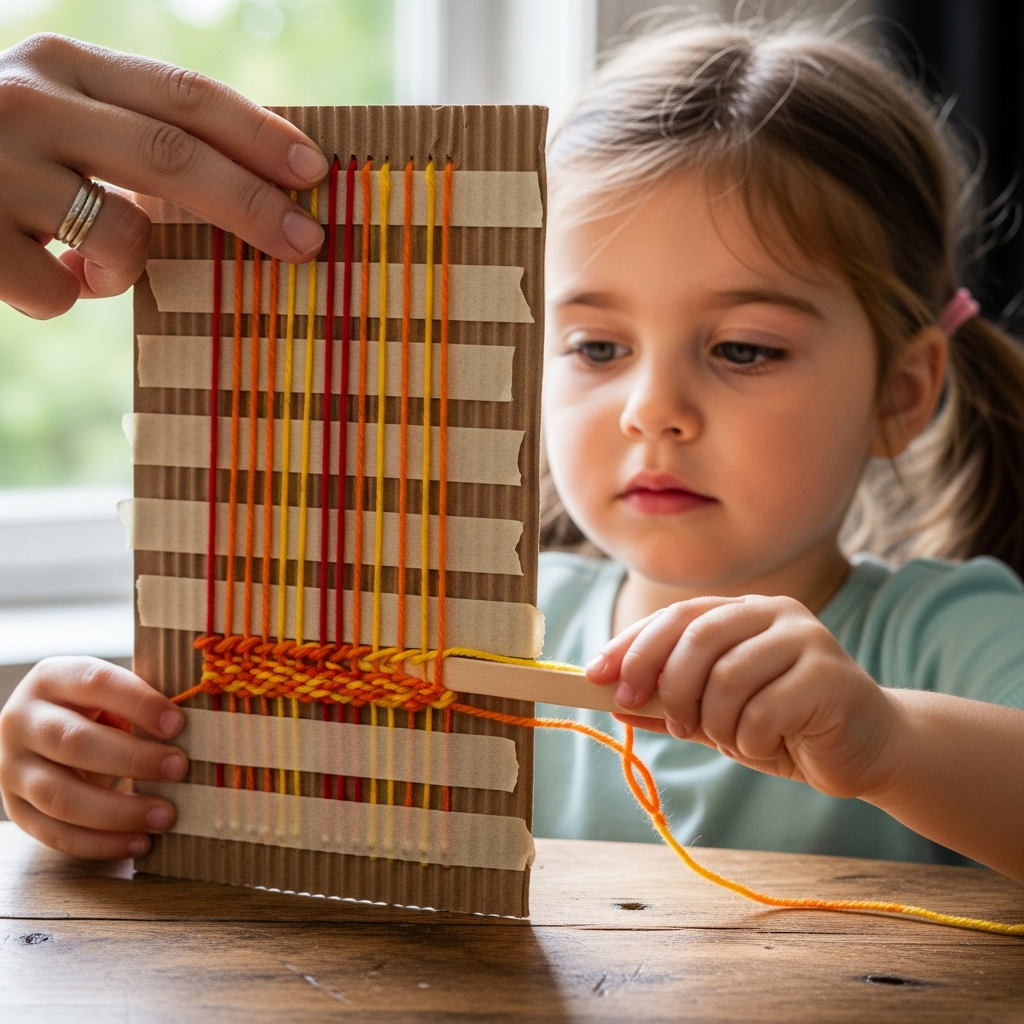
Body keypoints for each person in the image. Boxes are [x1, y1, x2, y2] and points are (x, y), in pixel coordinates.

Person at [2, 22, 1024, 880]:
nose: (650, 410)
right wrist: (102, 771)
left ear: (901, 393)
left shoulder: (941, 633)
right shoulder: (484, 635)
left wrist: (882, 740)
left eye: (744, 348)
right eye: (594, 347)